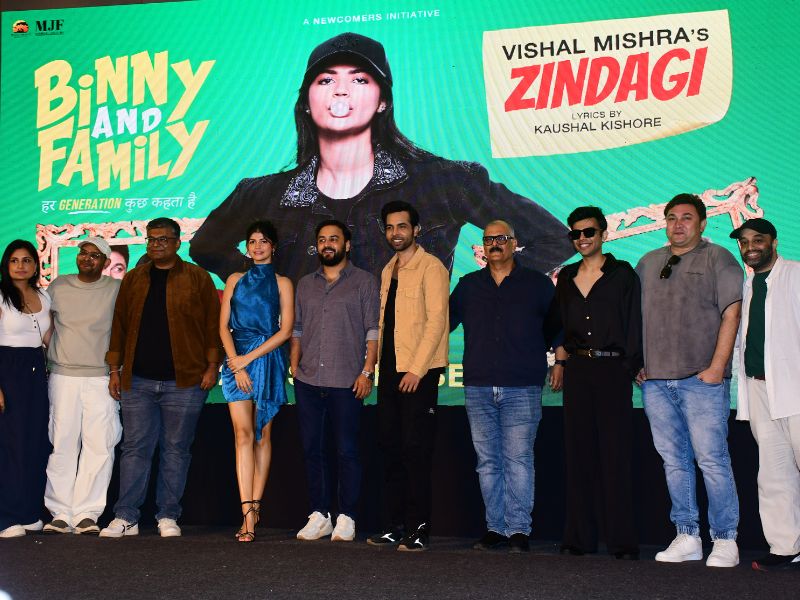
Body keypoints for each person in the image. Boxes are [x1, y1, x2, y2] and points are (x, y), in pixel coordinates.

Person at [189, 32, 574, 285]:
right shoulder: (261, 194)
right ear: (306, 101)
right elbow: (206, 247)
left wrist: (487, 283)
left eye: (359, 79)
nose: (341, 91)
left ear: (382, 100)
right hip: (309, 359)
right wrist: (262, 283)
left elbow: (556, 238)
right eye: (326, 80)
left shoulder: (444, 181)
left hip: (404, 360)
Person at [636, 194, 742, 567]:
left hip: (702, 381)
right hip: (656, 383)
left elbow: (732, 313)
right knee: (674, 461)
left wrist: (716, 367)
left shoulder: (718, 258)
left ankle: (725, 539)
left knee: (712, 459)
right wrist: (638, 362)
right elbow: (634, 317)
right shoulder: (648, 262)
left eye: (686, 217)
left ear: (702, 223)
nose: (678, 224)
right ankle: (687, 535)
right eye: (671, 218)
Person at [99, 218, 222, 538]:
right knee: (135, 449)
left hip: (185, 381)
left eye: (163, 239)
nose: (156, 245)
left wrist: (212, 366)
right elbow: (119, 325)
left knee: (176, 450)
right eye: (151, 239)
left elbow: (212, 324)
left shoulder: (198, 277)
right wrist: (114, 370)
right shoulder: (134, 278)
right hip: (137, 381)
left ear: (178, 243)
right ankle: (126, 516)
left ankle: (168, 515)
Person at [449, 220, 559, 553]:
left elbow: (557, 328)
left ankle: (519, 530)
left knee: (518, 460)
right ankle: (495, 528)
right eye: (488, 240)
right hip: (478, 386)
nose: (494, 244)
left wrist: (561, 362)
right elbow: (442, 323)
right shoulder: (468, 285)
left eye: (501, 238)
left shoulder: (538, 284)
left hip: (522, 385)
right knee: (487, 462)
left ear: (514, 243)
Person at [550, 206, 641, 559]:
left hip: (613, 371)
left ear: (603, 234)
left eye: (588, 232)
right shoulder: (566, 276)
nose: (582, 238)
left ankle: (622, 542)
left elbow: (634, 322)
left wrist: (630, 365)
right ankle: (578, 539)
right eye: (575, 234)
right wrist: (560, 361)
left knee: (616, 456)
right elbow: (559, 325)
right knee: (579, 455)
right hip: (578, 371)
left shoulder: (623, 274)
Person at [290, 219, 379, 543]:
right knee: (312, 449)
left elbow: (373, 330)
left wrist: (367, 372)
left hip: (347, 381)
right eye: (323, 240)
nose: (328, 244)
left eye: (334, 239)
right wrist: (295, 364)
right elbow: (297, 328)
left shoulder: (364, 282)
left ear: (347, 244)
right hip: (308, 380)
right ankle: (320, 514)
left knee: (347, 451)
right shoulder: (305, 284)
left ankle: (347, 516)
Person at [368, 200, 449, 552]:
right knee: (390, 448)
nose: (395, 233)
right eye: (389, 227)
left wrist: (417, 369)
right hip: (390, 371)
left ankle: (419, 529)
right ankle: (395, 526)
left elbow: (437, 321)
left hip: (419, 372)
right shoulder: (388, 269)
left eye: (402, 226)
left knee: (416, 451)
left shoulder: (432, 267)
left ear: (416, 229)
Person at [729, 218, 800, 571]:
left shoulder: (796, 275)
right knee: (773, 473)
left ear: (774, 242)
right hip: (759, 389)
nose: (750, 247)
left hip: (795, 388)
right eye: (744, 242)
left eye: (758, 240)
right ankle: (786, 547)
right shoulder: (748, 284)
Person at [42, 237, 122, 535]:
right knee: (62, 443)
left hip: (101, 376)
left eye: (94, 255)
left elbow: (122, 331)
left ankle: (87, 513)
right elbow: (46, 325)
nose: (86, 258)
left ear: (105, 262)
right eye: (82, 253)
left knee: (99, 445)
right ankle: (60, 513)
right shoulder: (59, 286)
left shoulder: (115, 289)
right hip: (63, 375)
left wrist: (116, 371)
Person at [219, 221, 293, 543]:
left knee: (262, 434)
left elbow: (285, 330)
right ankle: (246, 509)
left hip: (266, 358)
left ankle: (254, 510)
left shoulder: (283, 283)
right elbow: (223, 327)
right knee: (242, 434)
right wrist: (236, 363)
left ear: (273, 246)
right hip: (235, 361)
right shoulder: (234, 280)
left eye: (263, 241)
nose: (258, 246)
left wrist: (248, 359)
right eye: (252, 241)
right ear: (247, 247)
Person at [0, 240, 51, 539]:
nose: (21, 266)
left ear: (35, 265)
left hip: (36, 370)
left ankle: (29, 512)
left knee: (34, 443)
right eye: (14, 260)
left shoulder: (44, 295)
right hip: (7, 369)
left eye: (27, 260)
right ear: (6, 265)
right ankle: (5, 517)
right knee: (10, 446)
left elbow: (48, 338)